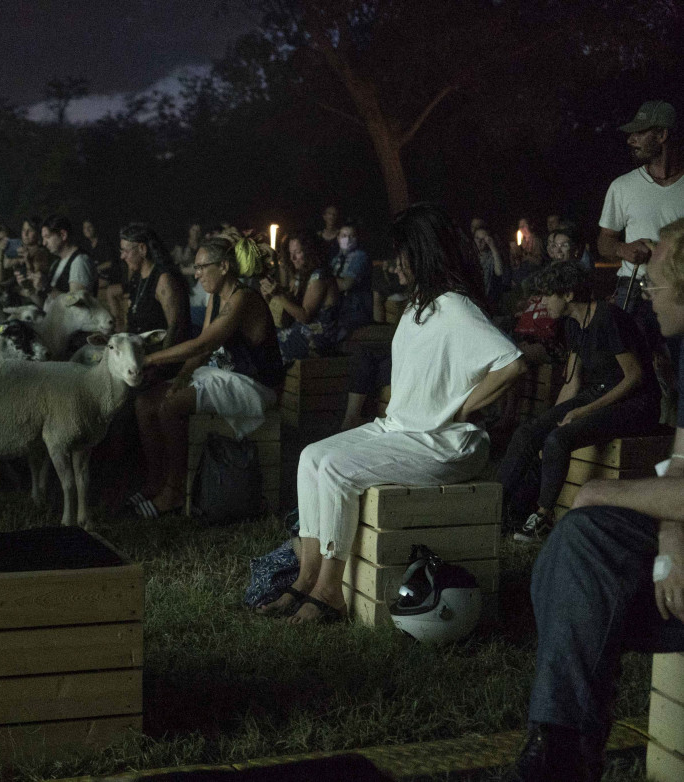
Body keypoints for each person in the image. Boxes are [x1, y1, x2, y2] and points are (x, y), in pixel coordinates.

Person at [258, 203, 525, 625]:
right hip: (401, 429)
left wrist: (466, 404)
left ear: (422, 253)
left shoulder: (456, 306)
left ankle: (330, 593)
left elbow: (512, 362)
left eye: (401, 253)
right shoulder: (422, 303)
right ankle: (306, 580)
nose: (395, 264)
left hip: (440, 443)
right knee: (311, 457)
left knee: (336, 470)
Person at [512, 216, 684, 782]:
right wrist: (669, 537)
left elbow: (633, 385)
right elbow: (680, 463)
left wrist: (602, 488)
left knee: (587, 514)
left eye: (657, 281)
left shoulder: (613, 321)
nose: (648, 293)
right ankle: (561, 749)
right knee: (576, 543)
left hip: (626, 408)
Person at [498, 262, 660, 542]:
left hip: (635, 402)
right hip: (597, 394)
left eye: (549, 295)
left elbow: (634, 377)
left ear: (569, 294)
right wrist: (552, 419)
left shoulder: (609, 318)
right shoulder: (574, 324)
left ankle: (542, 517)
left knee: (558, 440)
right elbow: (572, 383)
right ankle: (497, 507)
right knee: (529, 433)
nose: (543, 302)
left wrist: (582, 412)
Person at [130, 230, 283, 519]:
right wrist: (181, 379)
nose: (196, 274)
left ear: (224, 267)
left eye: (202, 267)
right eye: (196, 267)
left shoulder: (244, 298)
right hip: (224, 374)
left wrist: (149, 358)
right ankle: (155, 482)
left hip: (254, 384)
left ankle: (174, 492)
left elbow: (204, 344)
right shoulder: (216, 297)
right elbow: (201, 353)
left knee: (169, 407)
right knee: (145, 404)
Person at [599, 101, 683, 317]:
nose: (630, 140)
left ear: (662, 135)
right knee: (630, 351)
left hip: (678, 288)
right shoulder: (622, 186)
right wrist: (622, 249)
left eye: (639, 133)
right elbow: (605, 241)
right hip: (634, 288)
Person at [261, 231, 344, 363]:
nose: (293, 258)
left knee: (267, 345)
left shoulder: (319, 276)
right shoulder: (303, 275)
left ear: (310, 251)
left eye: (298, 252)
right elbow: (290, 306)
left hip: (316, 339)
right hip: (300, 331)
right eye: (290, 253)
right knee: (262, 335)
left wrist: (278, 294)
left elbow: (305, 316)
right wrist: (270, 295)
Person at [120, 223, 191, 350]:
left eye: (126, 251)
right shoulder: (137, 278)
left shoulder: (163, 280)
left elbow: (175, 329)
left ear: (142, 248)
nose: (122, 256)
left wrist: (159, 362)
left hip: (158, 356)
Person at [330, 221, 373, 330]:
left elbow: (345, 284)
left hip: (354, 310)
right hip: (338, 308)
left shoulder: (360, 256)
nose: (347, 239)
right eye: (344, 236)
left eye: (352, 236)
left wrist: (322, 279)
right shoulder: (335, 259)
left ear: (357, 238)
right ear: (338, 238)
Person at [42, 215, 98, 297]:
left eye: (47, 237)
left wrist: (47, 288)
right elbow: (47, 303)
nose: (44, 243)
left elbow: (76, 304)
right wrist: (31, 290)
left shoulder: (80, 261)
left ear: (63, 235)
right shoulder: (56, 263)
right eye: (43, 238)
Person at [12, 215, 53, 306]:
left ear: (38, 233)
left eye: (30, 230)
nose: (25, 234)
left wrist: (27, 262)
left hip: (36, 303)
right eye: (23, 230)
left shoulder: (42, 253)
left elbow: (36, 285)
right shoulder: (20, 252)